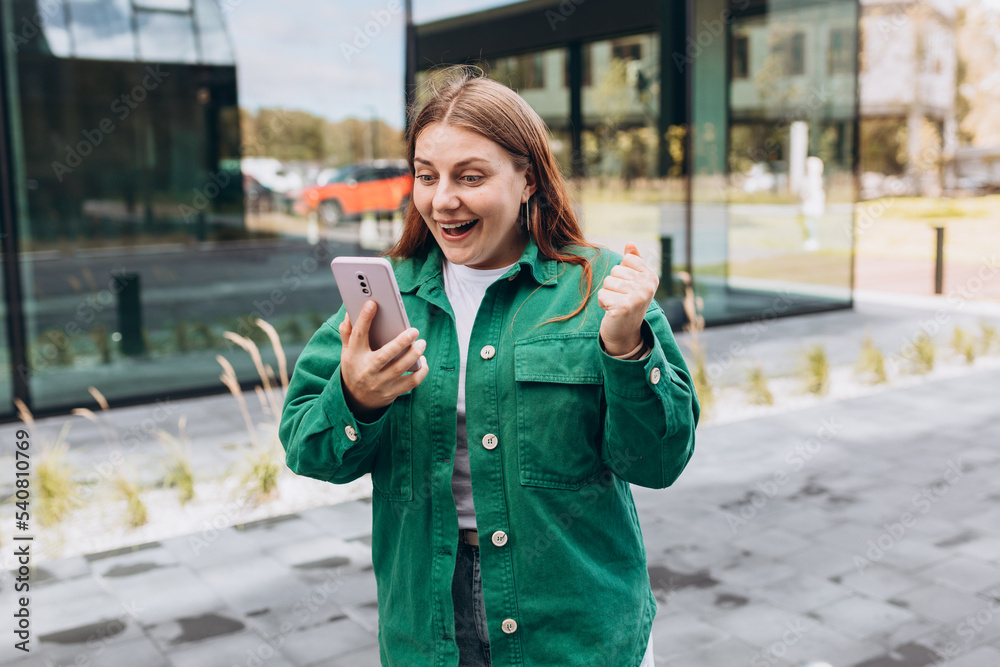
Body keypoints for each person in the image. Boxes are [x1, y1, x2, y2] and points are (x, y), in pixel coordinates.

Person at [279, 65, 699, 667]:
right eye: (427, 176)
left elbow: (658, 462)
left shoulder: (600, 288)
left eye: (469, 177)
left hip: (574, 629)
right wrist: (357, 396)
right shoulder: (384, 299)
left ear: (527, 178)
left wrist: (627, 348)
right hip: (429, 629)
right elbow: (308, 451)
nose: (442, 200)